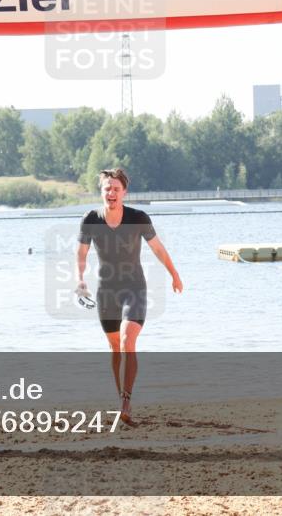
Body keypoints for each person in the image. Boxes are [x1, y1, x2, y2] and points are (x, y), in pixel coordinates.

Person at [76, 168, 183, 424]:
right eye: (107, 189)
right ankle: (121, 400)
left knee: (127, 341)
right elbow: (81, 254)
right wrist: (80, 280)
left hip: (134, 288)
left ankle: (126, 401)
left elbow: (157, 248)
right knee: (115, 348)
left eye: (116, 189)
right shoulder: (91, 219)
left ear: (124, 192)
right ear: (101, 192)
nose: (111, 192)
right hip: (106, 292)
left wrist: (174, 274)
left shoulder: (138, 217)